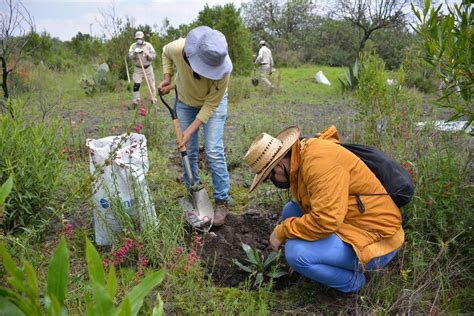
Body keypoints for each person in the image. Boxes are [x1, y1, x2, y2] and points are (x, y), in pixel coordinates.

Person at [243, 125, 404, 293]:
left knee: (295, 252)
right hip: (352, 222)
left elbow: (326, 220)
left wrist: (282, 232)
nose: (273, 182)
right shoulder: (301, 157)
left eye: (270, 177)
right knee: (290, 211)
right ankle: (318, 260)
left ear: (280, 163)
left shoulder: (319, 163)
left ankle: (353, 282)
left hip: (380, 240)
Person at [158, 26, 233, 226]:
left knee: (214, 150)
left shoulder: (224, 71)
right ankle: (194, 193)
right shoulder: (178, 48)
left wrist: (190, 131)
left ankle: (222, 200)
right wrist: (167, 77)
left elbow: (210, 105)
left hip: (212, 106)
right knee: (188, 151)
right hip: (184, 102)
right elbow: (164, 52)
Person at [128, 31, 157, 108]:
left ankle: (152, 100)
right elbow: (130, 56)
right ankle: (135, 102)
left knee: (151, 85)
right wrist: (134, 53)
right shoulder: (133, 46)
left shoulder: (148, 45)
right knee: (136, 85)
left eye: (140, 38)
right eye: (137, 38)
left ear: (143, 38)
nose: (139, 40)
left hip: (148, 68)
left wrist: (148, 54)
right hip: (138, 69)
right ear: (135, 39)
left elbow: (154, 56)